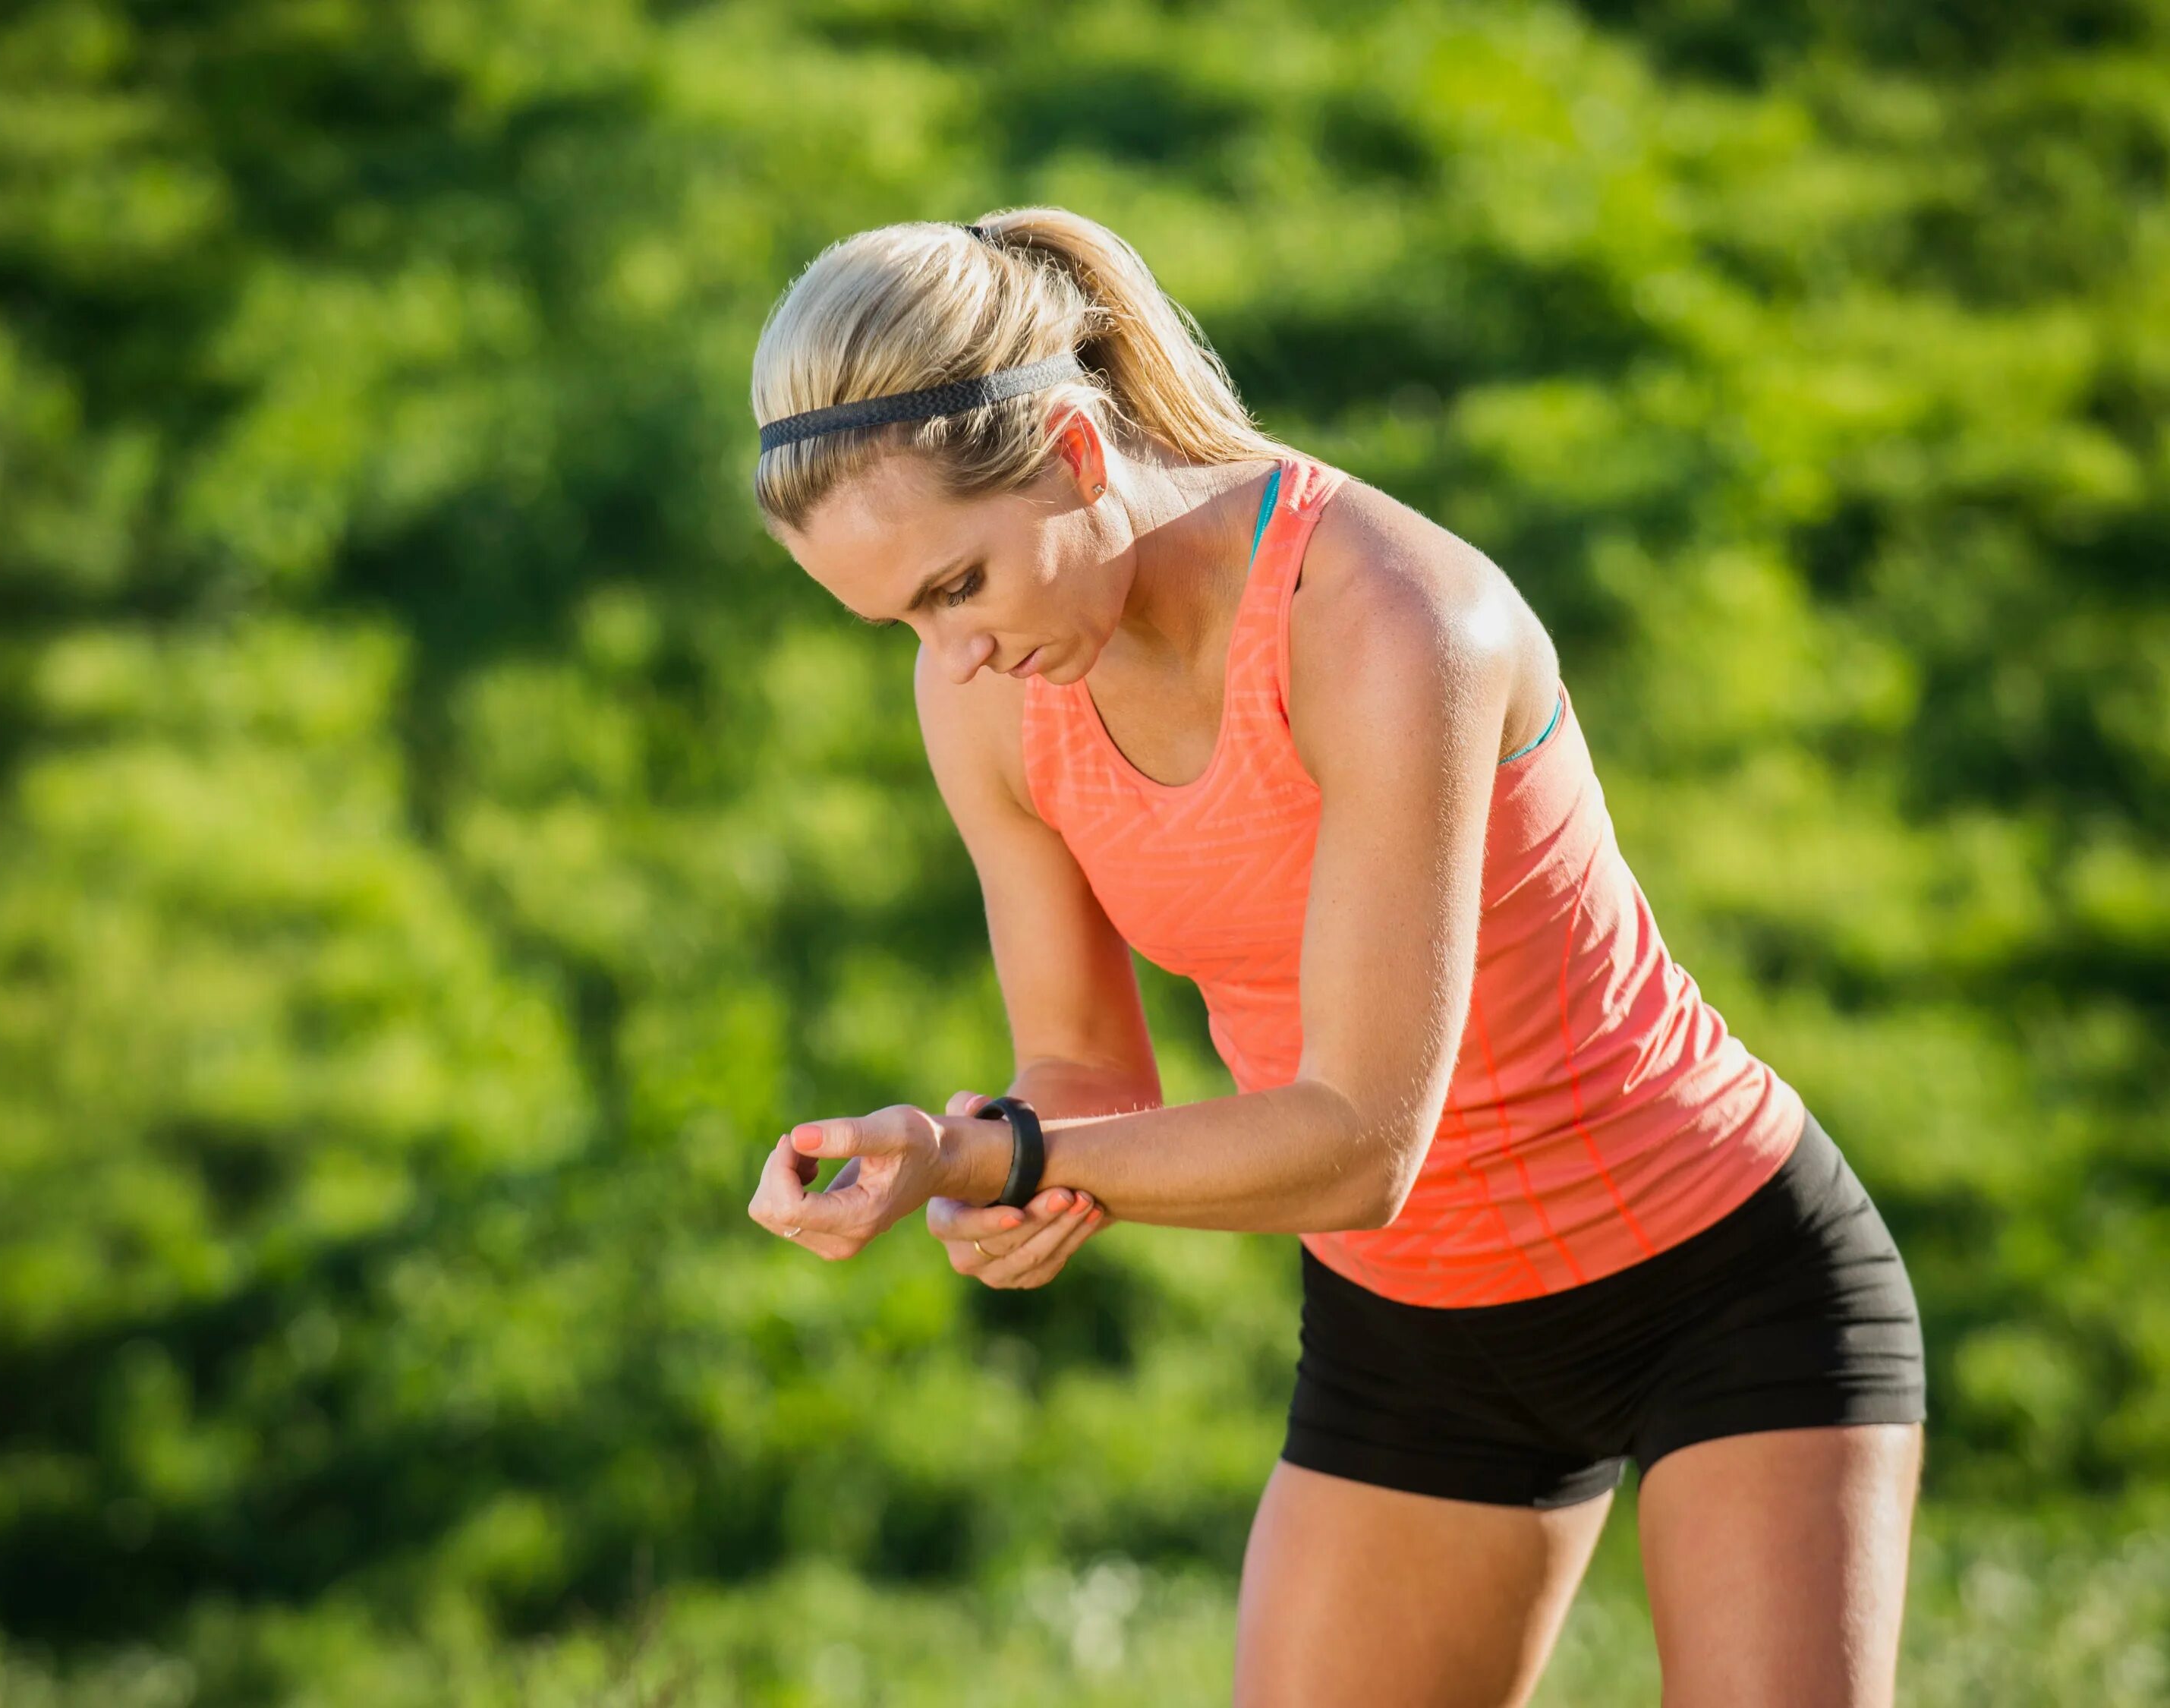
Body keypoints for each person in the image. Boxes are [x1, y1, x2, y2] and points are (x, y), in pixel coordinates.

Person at [744, 207, 1927, 1707]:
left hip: (1719, 1284)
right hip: (1414, 1336)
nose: (948, 652)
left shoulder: (1390, 619)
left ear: (1077, 457)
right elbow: (1085, 1075)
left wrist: (1004, 1162)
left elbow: (1365, 1141)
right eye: (898, 620)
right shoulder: (981, 694)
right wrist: (992, 1149)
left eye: (956, 585)